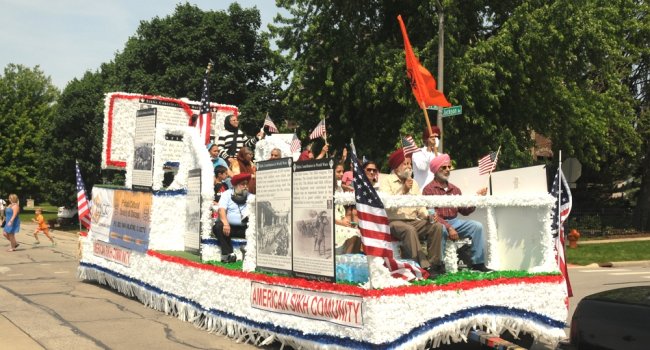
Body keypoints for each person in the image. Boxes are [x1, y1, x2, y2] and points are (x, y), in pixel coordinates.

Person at [379, 149, 445, 278]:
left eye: (410, 164)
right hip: (393, 222)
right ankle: (422, 266)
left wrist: (428, 216)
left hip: (413, 220)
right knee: (409, 230)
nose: (409, 167)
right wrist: (403, 190)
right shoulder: (386, 181)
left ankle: (434, 264)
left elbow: (419, 205)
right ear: (397, 167)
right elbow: (387, 205)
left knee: (436, 226)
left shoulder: (413, 183)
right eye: (405, 164)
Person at [422, 154, 492, 272]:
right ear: (435, 170)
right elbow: (432, 214)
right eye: (443, 167)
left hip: (456, 222)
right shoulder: (428, 189)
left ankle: (478, 263)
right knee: (440, 228)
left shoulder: (455, 189)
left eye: (449, 167)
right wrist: (449, 227)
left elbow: (464, 211)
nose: (448, 169)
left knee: (477, 226)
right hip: (438, 222)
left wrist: (477, 198)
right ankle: (438, 265)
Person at [213, 173, 252, 263]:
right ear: (235, 185)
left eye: (247, 184)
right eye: (243, 184)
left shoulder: (250, 196)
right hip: (229, 228)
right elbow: (221, 210)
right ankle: (229, 254)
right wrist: (226, 224)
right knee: (218, 226)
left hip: (245, 229)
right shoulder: (226, 194)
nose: (245, 186)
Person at [412, 126, 441, 191]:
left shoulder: (440, 156)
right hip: (421, 192)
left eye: (438, 137)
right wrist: (429, 148)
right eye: (433, 137)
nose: (435, 139)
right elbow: (422, 167)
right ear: (427, 139)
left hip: (437, 194)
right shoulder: (417, 152)